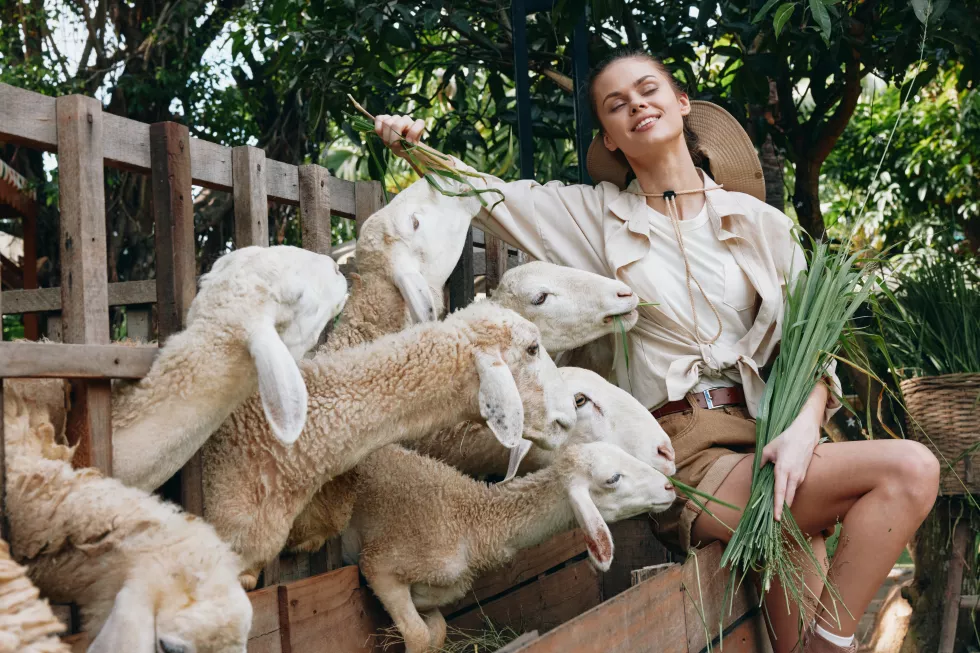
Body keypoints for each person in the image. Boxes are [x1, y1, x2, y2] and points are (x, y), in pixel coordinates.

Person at [373, 50, 940, 653]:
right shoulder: (592, 217)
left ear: (681, 103)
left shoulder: (760, 224)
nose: (636, 105)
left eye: (648, 90)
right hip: (684, 453)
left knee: (799, 641)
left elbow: (813, 346)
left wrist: (803, 430)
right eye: (615, 105)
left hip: (774, 444)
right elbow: (486, 193)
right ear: (611, 140)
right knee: (911, 468)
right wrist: (409, 145)